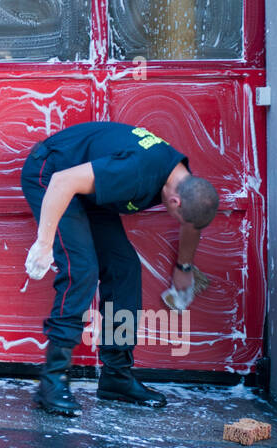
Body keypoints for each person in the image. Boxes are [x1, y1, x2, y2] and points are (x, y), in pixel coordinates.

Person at [19, 121, 218, 416]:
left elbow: (192, 219)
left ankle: (116, 375)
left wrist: (184, 266)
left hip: (86, 187)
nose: (183, 224)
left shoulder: (183, 180)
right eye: (180, 217)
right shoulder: (137, 173)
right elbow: (63, 182)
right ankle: (52, 380)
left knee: (124, 268)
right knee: (81, 269)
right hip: (51, 175)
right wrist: (45, 244)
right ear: (174, 201)